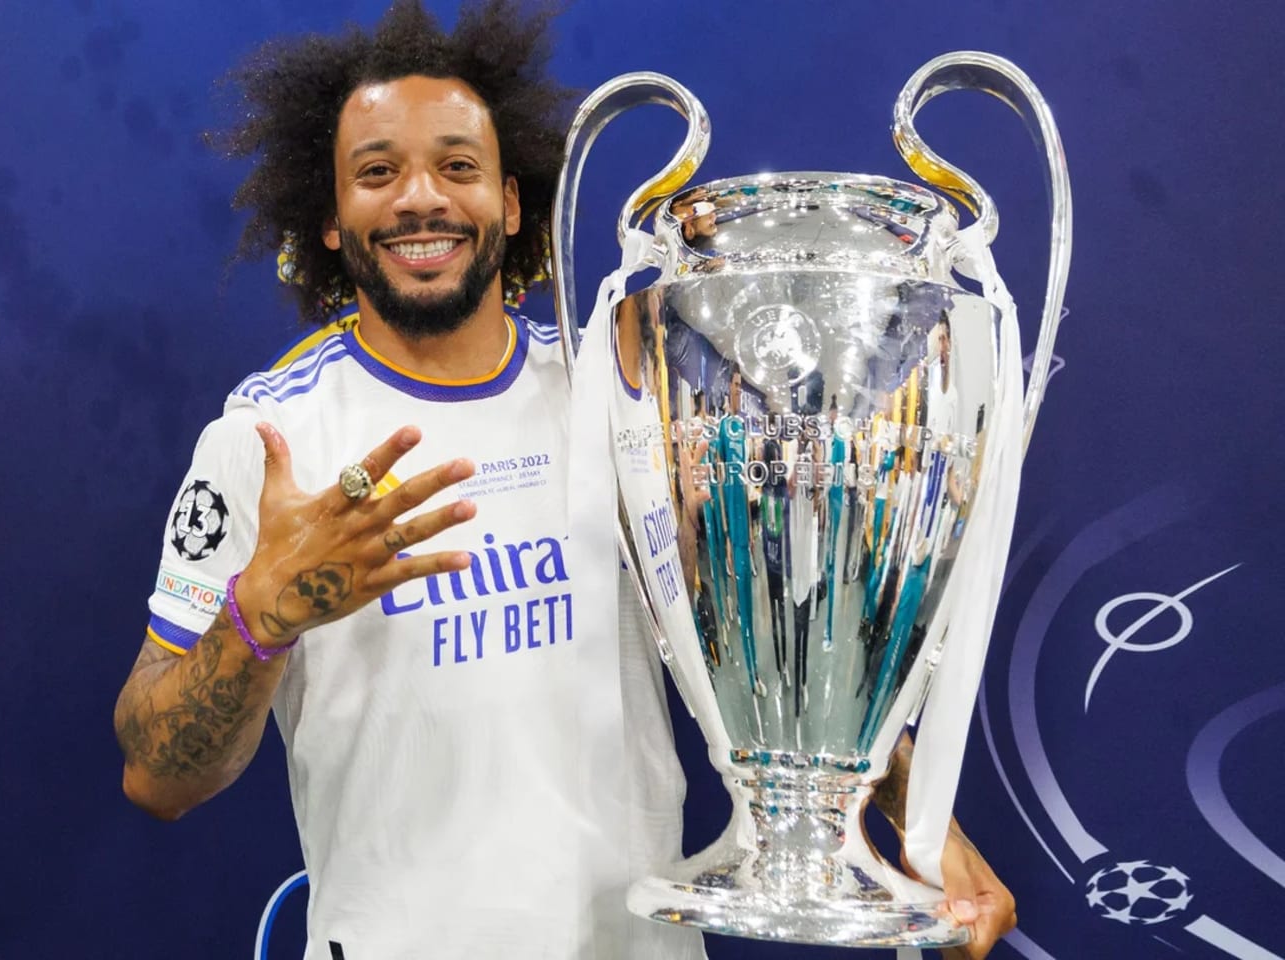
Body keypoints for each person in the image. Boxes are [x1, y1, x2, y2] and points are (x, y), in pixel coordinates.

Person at [111, 2, 1015, 957]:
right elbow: (157, 779)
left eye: (457, 166)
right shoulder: (269, 438)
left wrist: (925, 835)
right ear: (331, 218)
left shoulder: (623, 395)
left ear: (511, 200)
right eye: (377, 172)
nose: (421, 197)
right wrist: (261, 617)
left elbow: (766, 662)